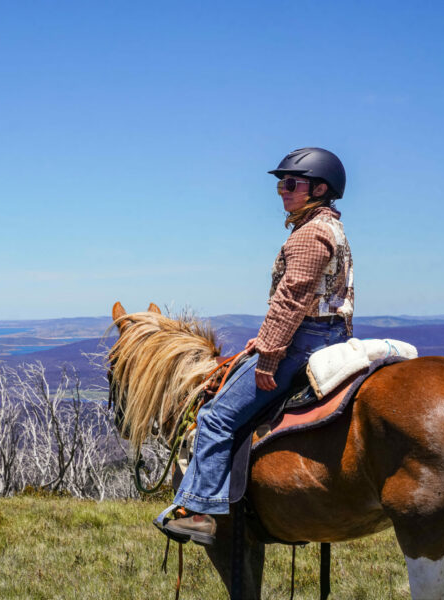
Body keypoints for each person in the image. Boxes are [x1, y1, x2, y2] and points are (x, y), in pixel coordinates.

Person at [155, 147, 354, 545]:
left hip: (302, 342)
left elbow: (292, 299)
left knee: (215, 416)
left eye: (291, 183)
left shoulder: (310, 233)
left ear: (319, 189)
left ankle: (197, 508)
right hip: (331, 334)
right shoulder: (329, 227)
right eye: (281, 183)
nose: (282, 190)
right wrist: (264, 338)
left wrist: (271, 354)